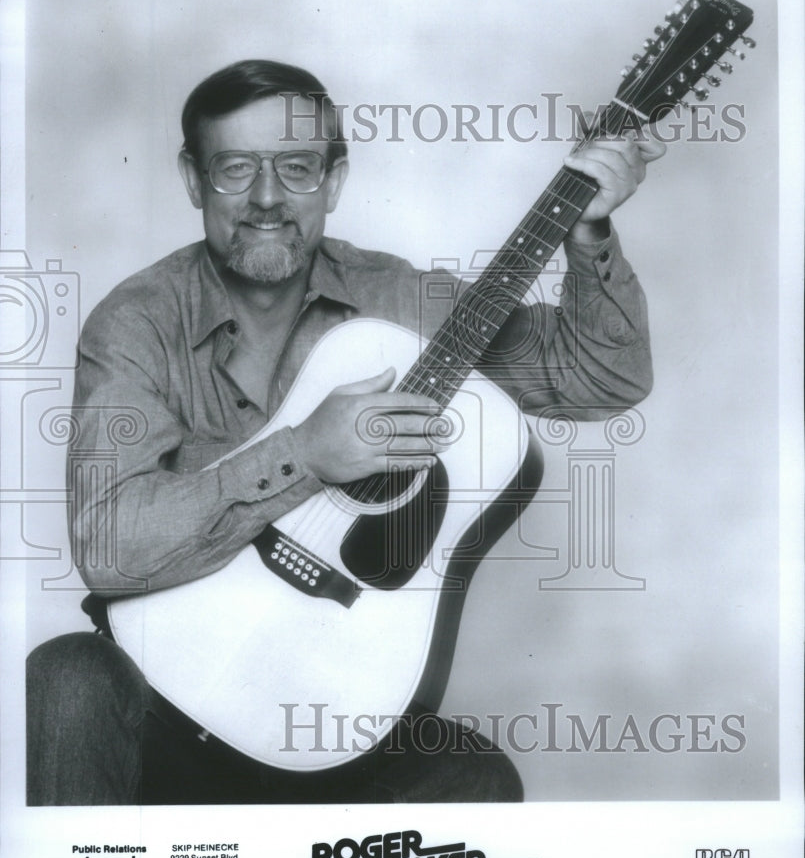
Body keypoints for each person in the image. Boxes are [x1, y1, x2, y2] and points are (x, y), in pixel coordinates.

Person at [26, 59, 664, 805]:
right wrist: (304, 454)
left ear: (333, 182)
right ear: (193, 181)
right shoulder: (136, 322)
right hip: (161, 700)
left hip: (330, 722)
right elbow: (109, 549)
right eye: (235, 169)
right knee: (68, 676)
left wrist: (588, 232)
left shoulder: (394, 300)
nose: (268, 199)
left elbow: (600, 380)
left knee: (477, 782)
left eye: (296, 168)